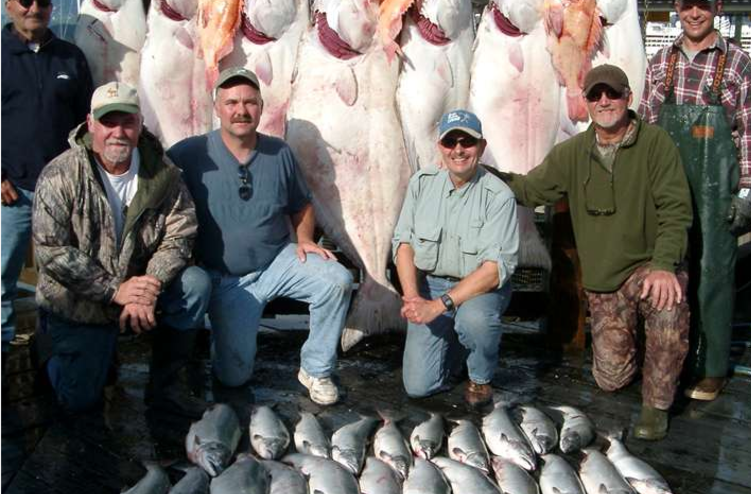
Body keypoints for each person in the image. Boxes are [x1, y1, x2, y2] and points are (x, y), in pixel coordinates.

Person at [486, 65, 693, 439]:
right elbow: (532, 189)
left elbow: (676, 209)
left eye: (612, 94)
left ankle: (656, 405)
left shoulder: (656, 143)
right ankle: (639, 352)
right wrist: (484, 175)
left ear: (628, 98)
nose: (604, 101)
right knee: (610, 379)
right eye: (595, 95)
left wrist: (664, 265)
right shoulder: (572, 153)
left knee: (668, 305)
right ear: (586, 102)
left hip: (648, 266)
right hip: (604, 279)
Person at [168, 67, 353, 406]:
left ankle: (316, 368)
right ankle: (224, 342)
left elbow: (302, 205)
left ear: (262, 106)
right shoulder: (187, 154)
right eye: (232, 102)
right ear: (217, 107)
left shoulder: (279, 152)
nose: (241, 110)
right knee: (233, 377)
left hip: (277, 261)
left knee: (336, 280)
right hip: (226, 280)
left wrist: (306, 240)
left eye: (250, 103)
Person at [31, 82, 211, 416]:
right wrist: (116, 290)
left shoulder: (165, 173)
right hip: (79, 302)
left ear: (140, 124)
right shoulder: (60, 175)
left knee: (195, 284)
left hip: (141, 292)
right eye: (108, 122)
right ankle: (47, 349)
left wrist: (150, 285)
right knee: (80, 401)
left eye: (127, 122)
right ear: (90, 124)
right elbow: (51, 251)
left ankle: (165, 387)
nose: (118, 132)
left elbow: (180, 235)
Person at [639, 0, 751, 401]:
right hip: (667, 189)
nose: (695, 14)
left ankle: (710, 367)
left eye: (704, 6)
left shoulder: (740, 63)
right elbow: (644, 126)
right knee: (668, 270)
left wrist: (746, 192)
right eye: (687, 5)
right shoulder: (661, 61)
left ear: (718, 8)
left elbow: (750, 134)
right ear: (677, 8)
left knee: (713, 274)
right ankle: (664, 362)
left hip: (716, 193)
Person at [392, 109, 519, 407]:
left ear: (482, 147)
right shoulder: (421, 184)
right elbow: (404, 244)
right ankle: (459, 349)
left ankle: (480, 377)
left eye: (467, 142)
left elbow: (493, 271)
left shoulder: (499, 196)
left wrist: (437, 306)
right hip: (430, 286)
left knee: (475, 321)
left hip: (480, 292)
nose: (459, 149)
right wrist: (413, 299)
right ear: (440, 147)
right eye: (451, 142)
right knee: (418, 387)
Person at [2, 0, 93, 355]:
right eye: (25, 1)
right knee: (0, 282)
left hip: (64, 196)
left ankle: (56, 358)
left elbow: (88, 126)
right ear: (9, 5)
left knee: (66, 282)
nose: (33, 8)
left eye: (42, 1)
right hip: (12, 194)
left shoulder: (71, 57)